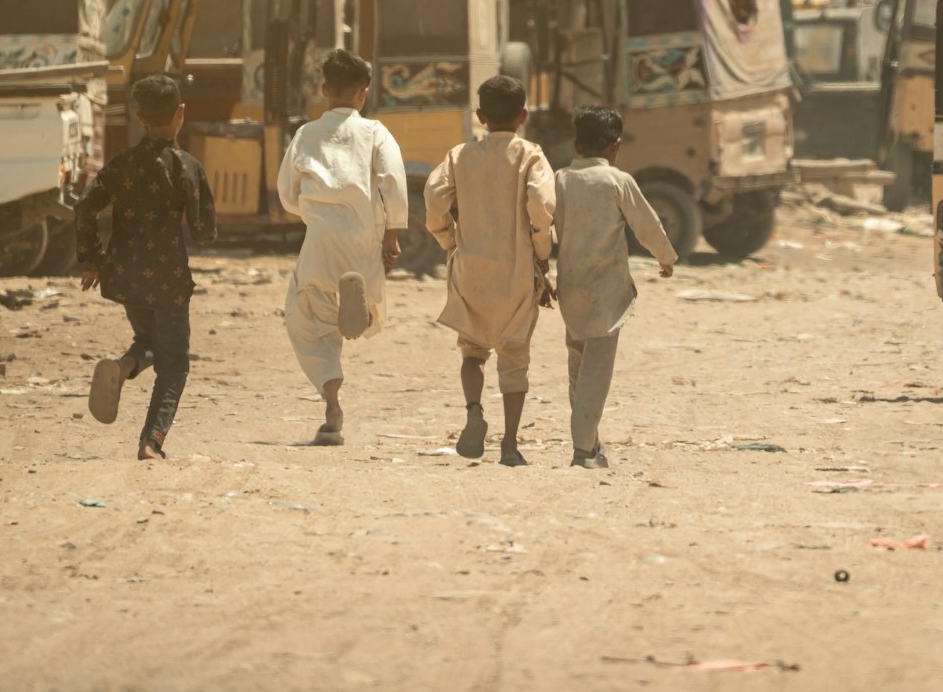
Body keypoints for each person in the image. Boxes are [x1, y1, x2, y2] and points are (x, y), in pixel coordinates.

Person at [77, 74, 217, 460]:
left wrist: (92, 259)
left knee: (150, 340)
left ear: (139, 116)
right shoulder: (185, 167)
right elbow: (205, 232)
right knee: (174, 365)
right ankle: (151, 440)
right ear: (181, 115)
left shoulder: (121, 165)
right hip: (168, 280)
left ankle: (124, 368)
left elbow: (85, 207)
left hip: (125, 276)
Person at [276, 49, 407, 446]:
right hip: (364, 233)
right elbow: (393, 182)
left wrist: (310, 214)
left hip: (320, 235)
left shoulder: (305, 134)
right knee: (365, 290)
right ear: (363, 94)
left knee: (306, 315)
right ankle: (362, 314)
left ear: (324, 90)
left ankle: (332, 406)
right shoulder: (375, 132)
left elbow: (286, 192)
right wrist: (392, 234)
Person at [424, 75, 556, 467]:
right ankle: (510, 444)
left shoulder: (459, 156)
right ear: (524, 115)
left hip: (471, 269)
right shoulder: (531, 156)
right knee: (514, 358)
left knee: (472, 350)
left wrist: (448, 240)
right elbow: (541, 204)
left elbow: (433, 197)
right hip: (515, 271)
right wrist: (542, 253)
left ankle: (473, 412)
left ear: (480, 116)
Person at [553, 106, 678, 469]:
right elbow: (646, 223)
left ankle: (591, 443)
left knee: (578, 365)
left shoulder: (559, 179)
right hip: (606, 288)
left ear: (576, 144)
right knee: (596, 370)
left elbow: (542, 226)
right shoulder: (617, 181)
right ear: (616, 146)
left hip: (571, 285)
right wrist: (665, 257)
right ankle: (582, 449)